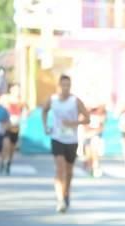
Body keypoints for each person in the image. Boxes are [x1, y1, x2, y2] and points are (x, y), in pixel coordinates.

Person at [41, 75, 90, 213]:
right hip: (57, 138)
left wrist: (74, 123)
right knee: (60, 168)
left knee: (68, 172)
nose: (66, 88)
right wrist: (45, 126)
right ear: (59, 86)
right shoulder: (53, 99)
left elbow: (87, 119)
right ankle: (60, 199)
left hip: (71, 140)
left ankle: (66, 193)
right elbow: (44, 111)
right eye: (63, 85)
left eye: (68, 85)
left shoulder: (75, 101)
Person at [0, 84, 27, 175]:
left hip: (16, 127)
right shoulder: (5, 98)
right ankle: (3, 161)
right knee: (5, 145)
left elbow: (27, 110)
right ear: (11, 90)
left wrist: (23, 117)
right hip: (7, 126)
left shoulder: (21, 101)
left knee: (12, 148)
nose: (17, 91)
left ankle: (8, 162)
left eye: (18, 89)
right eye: (15, 89)